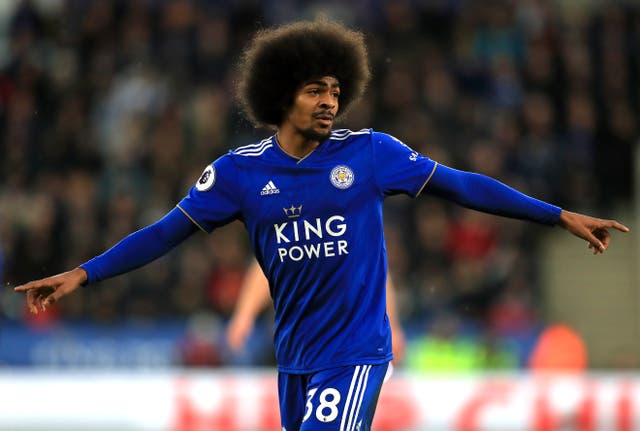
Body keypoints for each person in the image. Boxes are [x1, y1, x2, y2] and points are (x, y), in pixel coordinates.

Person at [15, 20, 628, 431]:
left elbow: (461, 185)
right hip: (295, 358)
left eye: (337, 90)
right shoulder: (238, 173)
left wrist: (556, 215)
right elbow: (164, 233)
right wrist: (84, 273)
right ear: (284, 96)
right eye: (316, 90)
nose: (331, 101)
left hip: (357, 351)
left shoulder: (370, 153)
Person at [226, 259, 406, 364]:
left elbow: (372, 266)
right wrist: (244, 316)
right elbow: (267, 264)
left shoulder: (350, 210)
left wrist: (391, 325)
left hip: (345, 334)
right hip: (292, 335)